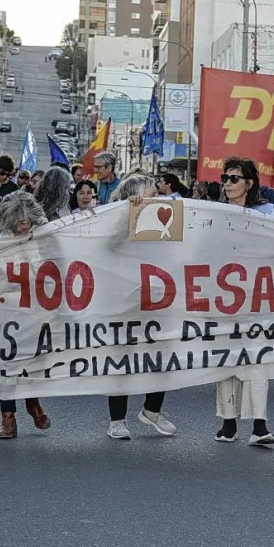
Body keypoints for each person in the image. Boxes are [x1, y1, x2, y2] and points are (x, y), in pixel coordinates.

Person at [104, 174, 178, 440]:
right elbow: (108, 246)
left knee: (162, 357)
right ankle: (117, 420)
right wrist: (128, 215)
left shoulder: (165, 217)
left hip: (157, 299)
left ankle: (152, 410)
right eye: (152, 195)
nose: (158, 199)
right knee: (122, 359)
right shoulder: (114, 220)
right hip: (125, 302)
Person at [216, 157, 274, 446]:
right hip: (223, 297)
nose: (228, 184)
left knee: (257, 358)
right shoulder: (213, 213)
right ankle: (228, 423)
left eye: (234, 178)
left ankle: (259, 425)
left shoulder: (267, 213)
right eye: (225, 178)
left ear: (249, 183)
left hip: (257, 296)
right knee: (226, 357)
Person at [0, 192, 53, 439]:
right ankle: (8, 417)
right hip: (4, 310)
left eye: (27, 220)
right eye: (18, 221)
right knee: (5, 364)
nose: (23, 225)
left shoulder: (43, 235)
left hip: (35, 310)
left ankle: (33, 403)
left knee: (32, 361)